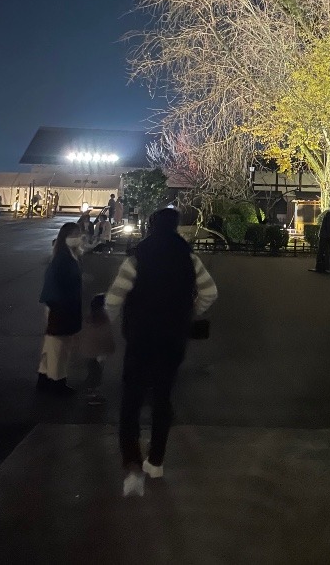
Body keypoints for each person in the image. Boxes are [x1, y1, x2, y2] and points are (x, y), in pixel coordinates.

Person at [105, 207, 217, 498]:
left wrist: (112, 318)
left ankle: (131, 463)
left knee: (131, 400)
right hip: (172, 339)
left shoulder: (138, 258)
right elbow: (209, 292)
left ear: (151, 226)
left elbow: (114, 297)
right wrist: (188, 313)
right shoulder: (188, 258)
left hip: (141, 338)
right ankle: (156, 461)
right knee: (162, 398)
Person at [37, 222, 83, 395]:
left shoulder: (67, 255)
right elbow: (54, 285)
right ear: (66, 237)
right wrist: (56, 305)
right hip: (61, 307)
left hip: (61, 306)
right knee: (60, 347)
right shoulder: (63, 258)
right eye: (75, 234)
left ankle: (44, 377)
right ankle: (57, 383)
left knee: (52, 345)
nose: (79, 238)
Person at [78, 293, 115, 405]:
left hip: (89, 351)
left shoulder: (89, 318)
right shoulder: (103, 319)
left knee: (92, 371)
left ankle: (90, 389)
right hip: (98, 352)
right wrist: (110, 347)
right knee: (97, 373)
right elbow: (106, 336)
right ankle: (93, 395)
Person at [312, 191, 330, 274]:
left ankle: (319, 265)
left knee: (321, 251)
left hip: (323, 235)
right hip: (328, 236)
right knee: (328, 251)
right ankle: (327, 267)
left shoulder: (327, 215)